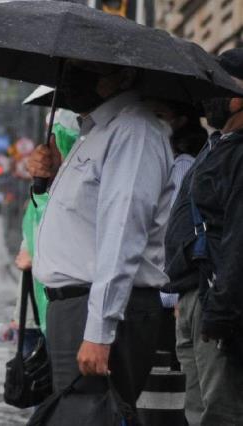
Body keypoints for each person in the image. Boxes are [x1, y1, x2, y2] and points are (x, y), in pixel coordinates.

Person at [27, 59, 174, 409]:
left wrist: (99, 333)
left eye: (84, 68)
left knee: (91, 415)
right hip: (74, 308)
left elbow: (123, 234)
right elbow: (85, 219)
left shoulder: (133, 132)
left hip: (100, 311)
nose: (68, 77)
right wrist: (49, 177)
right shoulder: (95, 132)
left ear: (124, 74)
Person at [164, 48, 243, 426]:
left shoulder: (239, 154)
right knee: (197, 410)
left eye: (219, 85)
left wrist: (220, 310)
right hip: (194, 296)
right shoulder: (217, 145)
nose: (208, 97)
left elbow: (239, 239)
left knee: (219, 412)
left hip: (217, 302)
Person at [14, 109, 79, 357]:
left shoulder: (69, 191)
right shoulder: (41, 195)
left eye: (55, 138)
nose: (48, 145)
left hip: (63, 306)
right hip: (37, 305)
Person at [149, 100, 207, 371]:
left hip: (169, 298)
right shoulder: (163, 161)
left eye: (160, 114)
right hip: (159, 294)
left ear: (181, 121)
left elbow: (175, 232)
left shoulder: (183, 165)